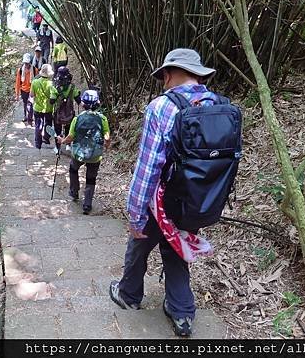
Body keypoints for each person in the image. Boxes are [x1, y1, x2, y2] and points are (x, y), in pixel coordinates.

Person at [109, 48, 226, 338]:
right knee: (177, 249)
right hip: (200, 198)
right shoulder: (218, 104)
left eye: (163, 76)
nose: (163, 81)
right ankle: (182, 312)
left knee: (139, 244)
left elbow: (149, 166)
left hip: (161, 202)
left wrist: (135, 212)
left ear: (170, 73)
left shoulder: (161, 107)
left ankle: (128, 294)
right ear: (198, 74)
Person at [58, 90, 110, 215]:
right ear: (97, 103)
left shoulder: (77, 119)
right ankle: (87, 204)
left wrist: (62, 141)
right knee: (91, 178)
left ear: (83, 104)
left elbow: (70, 137)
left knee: (73, 169)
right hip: (95, 155)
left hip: (79, 153)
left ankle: (74, 192)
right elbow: (107, 137)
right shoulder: (102, 119)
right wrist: (106, 146)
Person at [50, 66, 81, 154]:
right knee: (68, 128)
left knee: (57, 130)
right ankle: (68, 145)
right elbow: (78, 99)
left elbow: (52, 101)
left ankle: (57, 148)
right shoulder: (72, 87)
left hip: (58, 113)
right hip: (69, 112)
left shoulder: (55, 88)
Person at [30, 63, 54, 149]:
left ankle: (38, 143)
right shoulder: (51, 84)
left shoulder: (35, 82)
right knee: (48, 125)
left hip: (37, 108)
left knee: (38, 125)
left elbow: (31, 95)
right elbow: (53, 97)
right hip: (48, 109)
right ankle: (46, 138)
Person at [15, 53, 37, 125]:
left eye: (27, 63)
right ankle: (25, 116)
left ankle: (30, 118)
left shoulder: (34, 69)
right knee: (25, 104)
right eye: (25, 63)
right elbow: (18, 82)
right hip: (23, 90)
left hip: (32, 90)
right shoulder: (20, 70)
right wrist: (17, 94)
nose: (26, 64)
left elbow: (37, 81)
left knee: (30, 104)